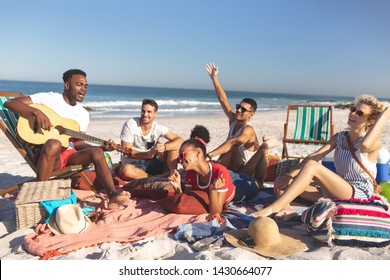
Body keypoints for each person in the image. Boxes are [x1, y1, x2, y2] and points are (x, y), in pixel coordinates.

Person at [4, 69, 130, 210]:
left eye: (85, 86)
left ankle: (112, 196)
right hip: (49, 156)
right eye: (79, 84)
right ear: (67, 85)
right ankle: (39, 195)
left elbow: (78, 143)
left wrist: (101, 148)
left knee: (96, 152)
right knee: (54, 143)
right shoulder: (48, 99)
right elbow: (10, 104)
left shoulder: (83, 114)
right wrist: (36, 112)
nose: (83, 88)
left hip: (69, 156)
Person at [252, 95, 390, 220]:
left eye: (359, 113)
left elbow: (364, 146)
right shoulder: (340, 137)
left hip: (358, 193)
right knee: (283, 183)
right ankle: (288, 210)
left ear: (370, 121)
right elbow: (314, 156)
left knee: (313, 167)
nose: (353, 113)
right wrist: (288, 176)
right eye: (353, 109)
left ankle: (274, 207)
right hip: (335, 189)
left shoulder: (373, 142)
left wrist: (383, 117)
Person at [205, 62, 279, 189]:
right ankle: (214, 174)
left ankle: (214, 173)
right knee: (230, 150)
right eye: (238, 107)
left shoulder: (248, 129)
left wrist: (209, 155)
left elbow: (234, 142)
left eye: (243, 110)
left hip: (247, 172)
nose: (239, 110)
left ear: (251, 114)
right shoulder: (233, 119)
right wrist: (214, 78)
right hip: (233, 166)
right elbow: (223, 100)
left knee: (233, 147)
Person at [168, 136, 260, 216]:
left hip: (239, 188)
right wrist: (177, 188)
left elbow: (216, 212)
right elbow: (187, 200)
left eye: (182, 155)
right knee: (242, 172)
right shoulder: (191, 173)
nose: (180, 160)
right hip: (225, 176)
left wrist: (212, 191)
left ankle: (263, 150)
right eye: (178, 158)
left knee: (258, 183)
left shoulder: (219, 172)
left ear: (198, 153)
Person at [118, 98, 183, 180]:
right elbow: (126, 152)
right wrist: (147, 154)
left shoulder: (158, 128)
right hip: (134, 164)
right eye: (143, 111)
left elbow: (180, 140)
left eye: (149, 112)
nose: (145, 114)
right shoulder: (130, 125)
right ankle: (155, 178)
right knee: (125, 170)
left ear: (156, 113)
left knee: (173, 146)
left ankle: (172, 175)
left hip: (152, 163)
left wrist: (164, 147)